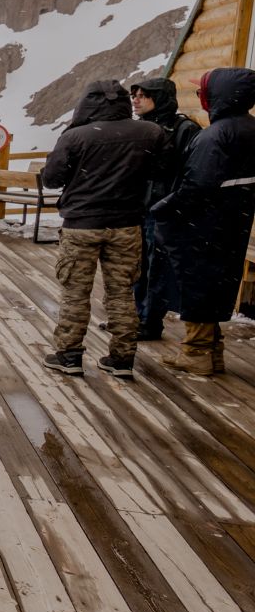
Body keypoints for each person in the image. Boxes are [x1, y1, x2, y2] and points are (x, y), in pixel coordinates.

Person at [39, 80, 169, 380]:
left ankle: (68, 354)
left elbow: (52, 179)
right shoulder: (150, 133)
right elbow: (161, 170)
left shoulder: (75, 136)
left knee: (75, 291)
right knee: (122, 291)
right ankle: (122, 358)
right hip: (126, 224)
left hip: (82, 224)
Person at [150, 67, 255, 378]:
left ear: (219, 95)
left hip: (204, 222)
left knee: (196, 281)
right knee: (216, 281)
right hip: (234, 220)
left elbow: (197, 185)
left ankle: (195, 352)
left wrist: (164, 207)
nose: (200, 97)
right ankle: (212, 351)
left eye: (202, 92)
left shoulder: (215, 135)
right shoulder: (250, 129)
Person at [131, 77, 202, 342]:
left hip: (164, 209)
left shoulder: (184, 129)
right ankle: (136, 316)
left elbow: (190, 171)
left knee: (156, 267)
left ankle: (150, 321)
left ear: (159, 97)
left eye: (143, 95)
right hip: (139, 206)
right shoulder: (140, 128)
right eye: (134, 95)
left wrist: (174, 202)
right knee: (138, 265)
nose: (136, 100)